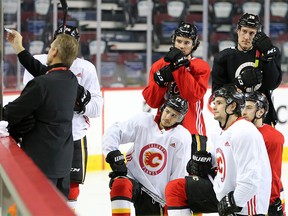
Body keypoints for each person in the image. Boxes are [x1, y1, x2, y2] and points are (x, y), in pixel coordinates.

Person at [22, 24, 103, 210]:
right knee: (40, 185)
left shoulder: (86, 68)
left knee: (71, 189)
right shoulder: (39, 62)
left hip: (74, 136)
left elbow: (97, 108)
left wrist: (79, 104)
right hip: (43, 136)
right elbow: (29, 98)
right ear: (53, 44)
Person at [164, 85, 272, 216]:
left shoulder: (244, 131)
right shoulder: (223, 132)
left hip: (246, 205)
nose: (213, 107)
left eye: (219, 103)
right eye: (214, 103)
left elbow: (252, 177)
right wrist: (201, 163)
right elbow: (217, 162)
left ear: (232, 107)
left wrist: (234, 202)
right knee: (176, 189)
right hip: (224, 194)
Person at [3, 30, 79, 198]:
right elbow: (44, 71)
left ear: (55, 51)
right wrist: (19, 48)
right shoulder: (71, 80)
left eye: (51, 46)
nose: (49, 49)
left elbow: (9, 113)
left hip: (40, 167)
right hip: (62, 166)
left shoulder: (41, 85)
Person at [102, 95, 192, 216]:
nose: (167, 117)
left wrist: (171, 202)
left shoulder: (182, 137)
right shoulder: (143, 121)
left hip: (155, 194)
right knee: (120, 185)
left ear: (180, 119)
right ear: (162, 108)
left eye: (173, 115)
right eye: (167, 111)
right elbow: (115, 131)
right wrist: (112, 153)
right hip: (132, 177)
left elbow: (179, 173)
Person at [142, 21, 210, 157]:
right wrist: (161, 83)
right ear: (174, 41)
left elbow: (192, 96)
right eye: (179, 41)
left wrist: (178, 68)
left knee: (192, 176)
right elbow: (152, 102)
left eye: (187, 42)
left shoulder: (201, 66)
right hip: (163, 130)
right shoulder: (159, 65)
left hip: (192, 131)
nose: (182, 46)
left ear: (194, 45)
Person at [211, 13, 282, 126]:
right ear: (238, 30)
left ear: (257, 34)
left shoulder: (267, 53)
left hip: (263, 119)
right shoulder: (223, 58)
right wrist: (238, 84)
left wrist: (268, 58)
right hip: (234, 120)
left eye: (252, 33)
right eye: (244, 31)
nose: (247, 37)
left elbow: (272, 84)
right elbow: (216, 95)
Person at [242, 91, 285, 216]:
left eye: (249, 107)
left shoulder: (273, 137)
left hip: (266, 198)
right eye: (242, 107)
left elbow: (272, 172)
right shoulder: (237, 132)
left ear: (260, 112)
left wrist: (272, 199)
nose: (243, 111)